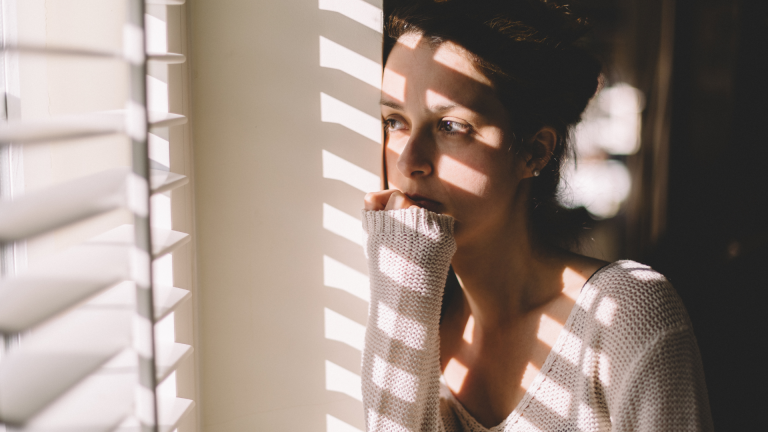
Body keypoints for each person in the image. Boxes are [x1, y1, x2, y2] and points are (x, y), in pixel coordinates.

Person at [360, 1, 713, 431]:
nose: (408, 161)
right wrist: (404, 284)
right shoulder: (412, 319)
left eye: (451, 126)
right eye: (394, 121)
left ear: (534, 151)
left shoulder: (624, 315)